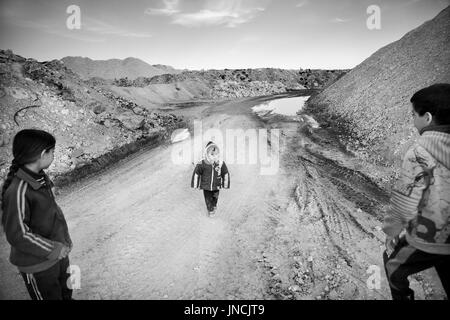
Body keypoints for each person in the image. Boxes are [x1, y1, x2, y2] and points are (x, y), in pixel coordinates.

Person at [382, 83, 450, 300]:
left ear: (427, 118)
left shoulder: (418, 152)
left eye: (414, 115)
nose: (412, 121)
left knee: (392, 264)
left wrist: (392, 232)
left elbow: (403, 199)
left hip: (431, 238)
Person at [1, 129, 73, 300]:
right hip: (39, 265)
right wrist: (54, 249)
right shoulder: (18, 191)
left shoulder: (40, 177)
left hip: (59, 254)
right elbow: (18, 235)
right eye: (52, 152)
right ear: (42, 154)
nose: (53, 155)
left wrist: (63, 244)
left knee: (67, 292)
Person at [191, 141, 230, 217]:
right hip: (206, 186)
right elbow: (196, 173)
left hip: (216, 185)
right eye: (212, 154)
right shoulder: (202, 163)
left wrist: (225, 184)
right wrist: (196, 184)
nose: (214, 156)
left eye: (216, 154)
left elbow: (225, 173)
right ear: (207, 154)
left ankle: (214, 205)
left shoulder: (220, 163)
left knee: (215, 198)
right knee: (208, 199)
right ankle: (210, 210)